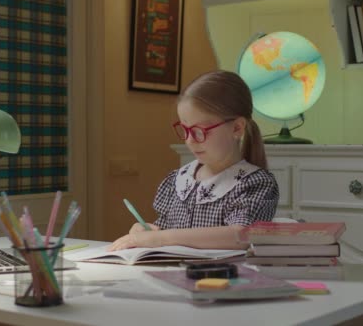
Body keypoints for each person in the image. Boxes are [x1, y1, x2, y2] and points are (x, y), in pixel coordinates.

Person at [109, 70, 279, 251]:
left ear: (237, 128)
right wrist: (144, 231)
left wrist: (162, 238)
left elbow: (241, 235)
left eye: (200, 131)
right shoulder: (178, 180)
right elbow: (161, 231)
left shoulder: (256, 183)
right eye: (185, 130)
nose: (190, 140)